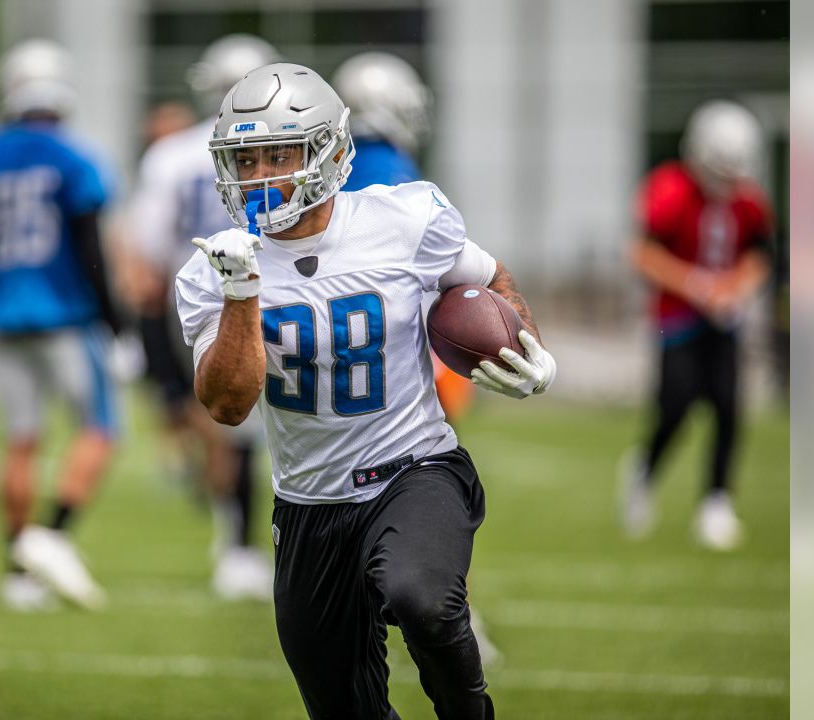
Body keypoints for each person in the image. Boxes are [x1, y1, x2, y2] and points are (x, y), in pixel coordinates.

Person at [177, 63, 556, 720]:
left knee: (420, 596)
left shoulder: (404, 219)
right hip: (308, 504)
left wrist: (529, 344)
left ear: (325, 151)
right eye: (247, 159)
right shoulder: (215, 268)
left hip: (416, 470)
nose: (261, 175)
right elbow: (227, 403)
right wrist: (242, 291)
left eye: (278, 154)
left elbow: (492, 278)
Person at [0, 39, 121, 611]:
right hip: (63, 312)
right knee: (99, 429)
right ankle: (53, 536)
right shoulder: (73, 156)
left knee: (21, 440)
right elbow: (90, 242)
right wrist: (117, 322)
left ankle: (16, 572)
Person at [334, 50, 500, 666]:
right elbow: (446, 270)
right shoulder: (399, 175)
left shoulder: (329, 173)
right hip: (397, 355)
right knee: (430, 478)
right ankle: (449, 606)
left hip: (330, 365)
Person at [129, 33, 279, 601]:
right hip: (271, 291)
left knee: (226, 424)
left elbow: (149, 244)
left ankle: (233, 538)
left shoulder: (171, 154)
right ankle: (241, 541)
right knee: (265, 425)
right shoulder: (282, 149)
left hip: (192, 291)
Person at [622, 100, 773, 551]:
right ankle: (643, 472)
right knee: (675, 408)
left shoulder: (749, 200)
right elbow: (642, 253)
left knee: (728, 408)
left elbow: (760, 255)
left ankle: (716, 502)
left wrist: (736, 288)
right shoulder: (668, 189)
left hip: (724, 320)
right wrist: (695, 285)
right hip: (677, 319)